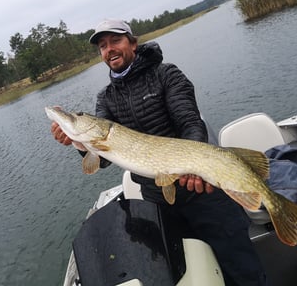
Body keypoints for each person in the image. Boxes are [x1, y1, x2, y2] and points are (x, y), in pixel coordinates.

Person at [51, 19, 268, 285]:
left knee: (243, 269)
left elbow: (190, 122)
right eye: (103, 46)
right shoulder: (106, 98)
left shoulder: (166, 74)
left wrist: (193, 166)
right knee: (192, 274)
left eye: (115, 41)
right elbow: (102, 160)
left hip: (202, 194)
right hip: (159, 203)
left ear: (133, 42)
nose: (109, 50)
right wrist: (76, 142)